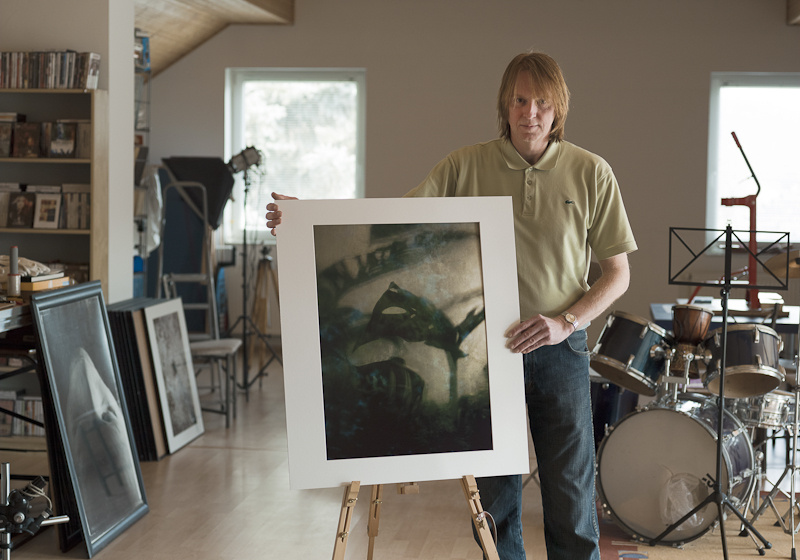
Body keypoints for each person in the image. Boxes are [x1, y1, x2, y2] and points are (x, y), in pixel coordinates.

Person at [266, 51, 636, 560]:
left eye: (542, 102)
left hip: (561, 349)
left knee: (571, 494)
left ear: (559, 109)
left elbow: (618, 274)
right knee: (497, 500)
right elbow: (394, 222)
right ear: (505, 105)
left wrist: (563, 322)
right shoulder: (465, 165)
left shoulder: (592, 172)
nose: (530, 113)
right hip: (488, 354)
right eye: (520, 100)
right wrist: (308, 217)